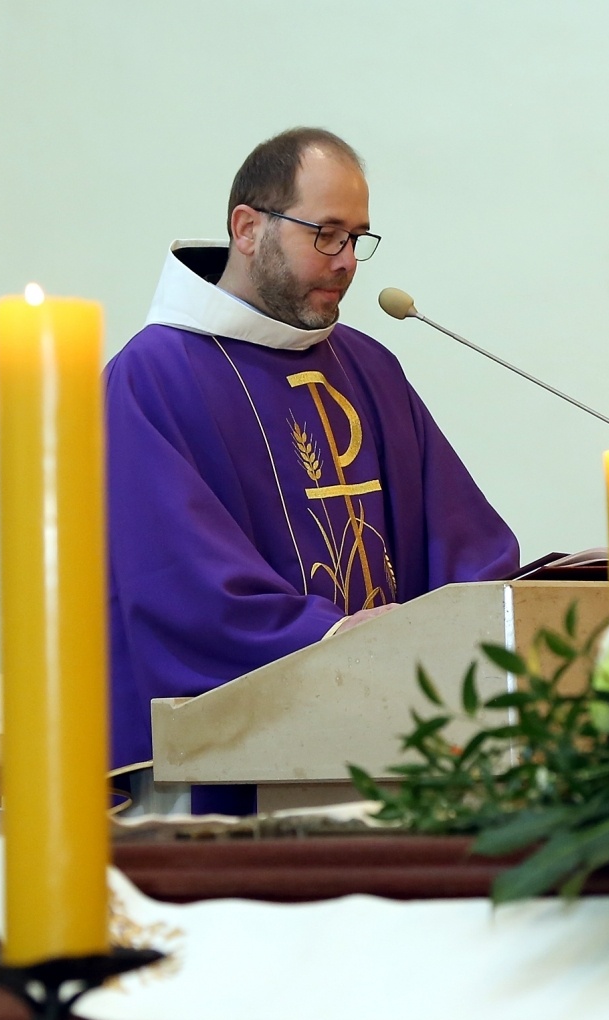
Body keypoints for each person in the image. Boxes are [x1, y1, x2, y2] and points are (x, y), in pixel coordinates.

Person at [106, 127, 520, 814]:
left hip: (399, 757)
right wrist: (325, 639)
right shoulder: (152, 378)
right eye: (325, 234)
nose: (346, 260)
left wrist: (499, 612)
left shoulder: (368, 367)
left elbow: (460, 542)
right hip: (237, 776)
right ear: (247, 228)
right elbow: (178, 583)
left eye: (358, 237)